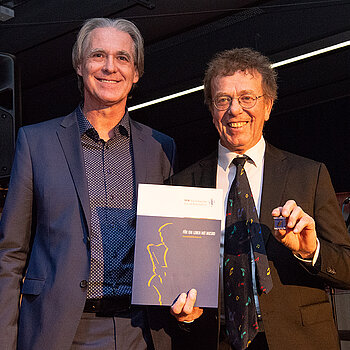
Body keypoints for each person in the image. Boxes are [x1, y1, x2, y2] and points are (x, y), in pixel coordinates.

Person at [0, 18, 177, 350]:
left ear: (136, 73)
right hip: (60, 331)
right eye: (98, 55)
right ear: (79, 65)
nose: (110, 67)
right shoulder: (36, 142)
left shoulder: (160, 148)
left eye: (123, 58)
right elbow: (10, 255)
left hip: (141, 331)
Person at [169, 48, 350, 350]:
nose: (234, 110)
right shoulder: (183, 184)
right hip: (216, 340)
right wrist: (185, 315)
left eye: (247, 98)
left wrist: (311, 251)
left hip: (298, 340)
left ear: (268, 106)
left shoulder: (310, 175)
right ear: (211, 109)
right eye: (222, 99)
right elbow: (170, 278)